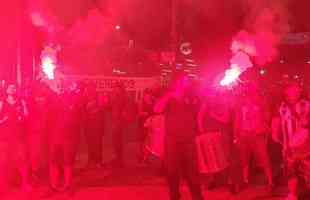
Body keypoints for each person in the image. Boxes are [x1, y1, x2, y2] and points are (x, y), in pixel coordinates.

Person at [154, 76, 204, 200]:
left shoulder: (192, 96)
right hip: (172, 140)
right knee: (172, 172)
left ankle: (197, 197)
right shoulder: (169, 97)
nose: (187, 84)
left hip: (188, 140)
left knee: (192, 172)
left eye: (188, 82)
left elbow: (200, 111)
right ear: (177, 83)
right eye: (184, 81)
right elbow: (157, 109)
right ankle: (174, 196)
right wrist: (168, 96)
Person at [272, 82, 310, 200]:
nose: (295, 92)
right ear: (285, 92)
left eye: (297, 90)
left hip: (305, 145)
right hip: (287, 145)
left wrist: (307, 123)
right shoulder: (280, 105)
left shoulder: (307, 104)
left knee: (308, 170)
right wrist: (274, 132)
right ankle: (292, 194)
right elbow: (275, 119)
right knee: (290, 171)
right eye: (292, 90)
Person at [45, 82, 83, 197]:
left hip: (69, 137)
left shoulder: (74, 100)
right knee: (53, 161)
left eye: (62, 87)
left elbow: (78, 116)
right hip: (55, 136)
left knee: (68, 162)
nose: (60, 89)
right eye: (59, 87)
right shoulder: (53, 100)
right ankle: (53, 186)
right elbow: (47, 114)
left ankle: (67, 186)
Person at [234, 82, 273, 192]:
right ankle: (245, 181)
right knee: (244, 159)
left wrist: (263, 128)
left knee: (264, 159)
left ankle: (270, 182)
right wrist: (236, 135)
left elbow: (267, 117)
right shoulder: (241, 102)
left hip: (257, 135)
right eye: (247, 89)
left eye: (252, 89)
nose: (249, 92)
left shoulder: (261, 101)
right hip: (244, 134)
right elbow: (237, 119)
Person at [197, 89, 232, 191]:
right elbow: (199, 117)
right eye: (210, 94)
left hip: (221, 134)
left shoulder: (224, 104)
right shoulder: (206, 103)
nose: (212, 96)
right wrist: (202, 130)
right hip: (209, 134)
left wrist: (214, 116)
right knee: (210, 158)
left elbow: (226, 119)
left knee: (224, 156)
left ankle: (227, 181)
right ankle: (212, 181)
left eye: (214, 94)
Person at [0, 83, 31, 192]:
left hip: (18, 136)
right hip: (4, 137)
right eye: (10, 87)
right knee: (3, 161)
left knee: (22, 160)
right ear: (6, 90)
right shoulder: (2, 102)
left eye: (14, 87)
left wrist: (24, 110)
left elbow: (26, 116)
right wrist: (3, 120)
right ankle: (3, 185)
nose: (12, 89)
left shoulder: (21, 102)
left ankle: (25, 184)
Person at [84, 88, 106, 169]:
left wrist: (102, 129)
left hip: (97, 128)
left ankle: (98, 162)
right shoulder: (85, 102)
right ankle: (91, 160)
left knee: (97, 145)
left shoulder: (99, 104)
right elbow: (85, 115)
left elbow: (101, 117)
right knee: (90, 145)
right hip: (89, 128)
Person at [109, 84, 128, 167]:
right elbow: (111, 107)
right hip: (116, 121)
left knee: (117, 141)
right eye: (115, 89)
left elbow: (121, 109)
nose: (115, 90)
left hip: (119, 122)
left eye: (117, 89)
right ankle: (118, 159)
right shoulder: (117, 97)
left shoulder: (122, 98)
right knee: (116, 141)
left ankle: (119, 160)